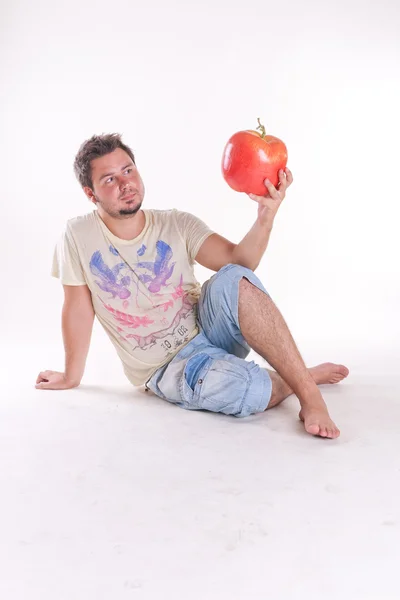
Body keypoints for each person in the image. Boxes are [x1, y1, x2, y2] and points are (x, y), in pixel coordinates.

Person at [35, 133, 349, 439]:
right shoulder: (78, 235)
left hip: (208, 329)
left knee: (234, 276)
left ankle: (310, 397)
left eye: (128, 170)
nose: (125, 184)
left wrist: (267, 213)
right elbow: (77, 307)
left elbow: (241, 261)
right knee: (252, 392)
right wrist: (70, 376)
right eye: (109, 179)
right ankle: (301, 374)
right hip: (167, 367)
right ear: (91, 194)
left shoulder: (176, 223)